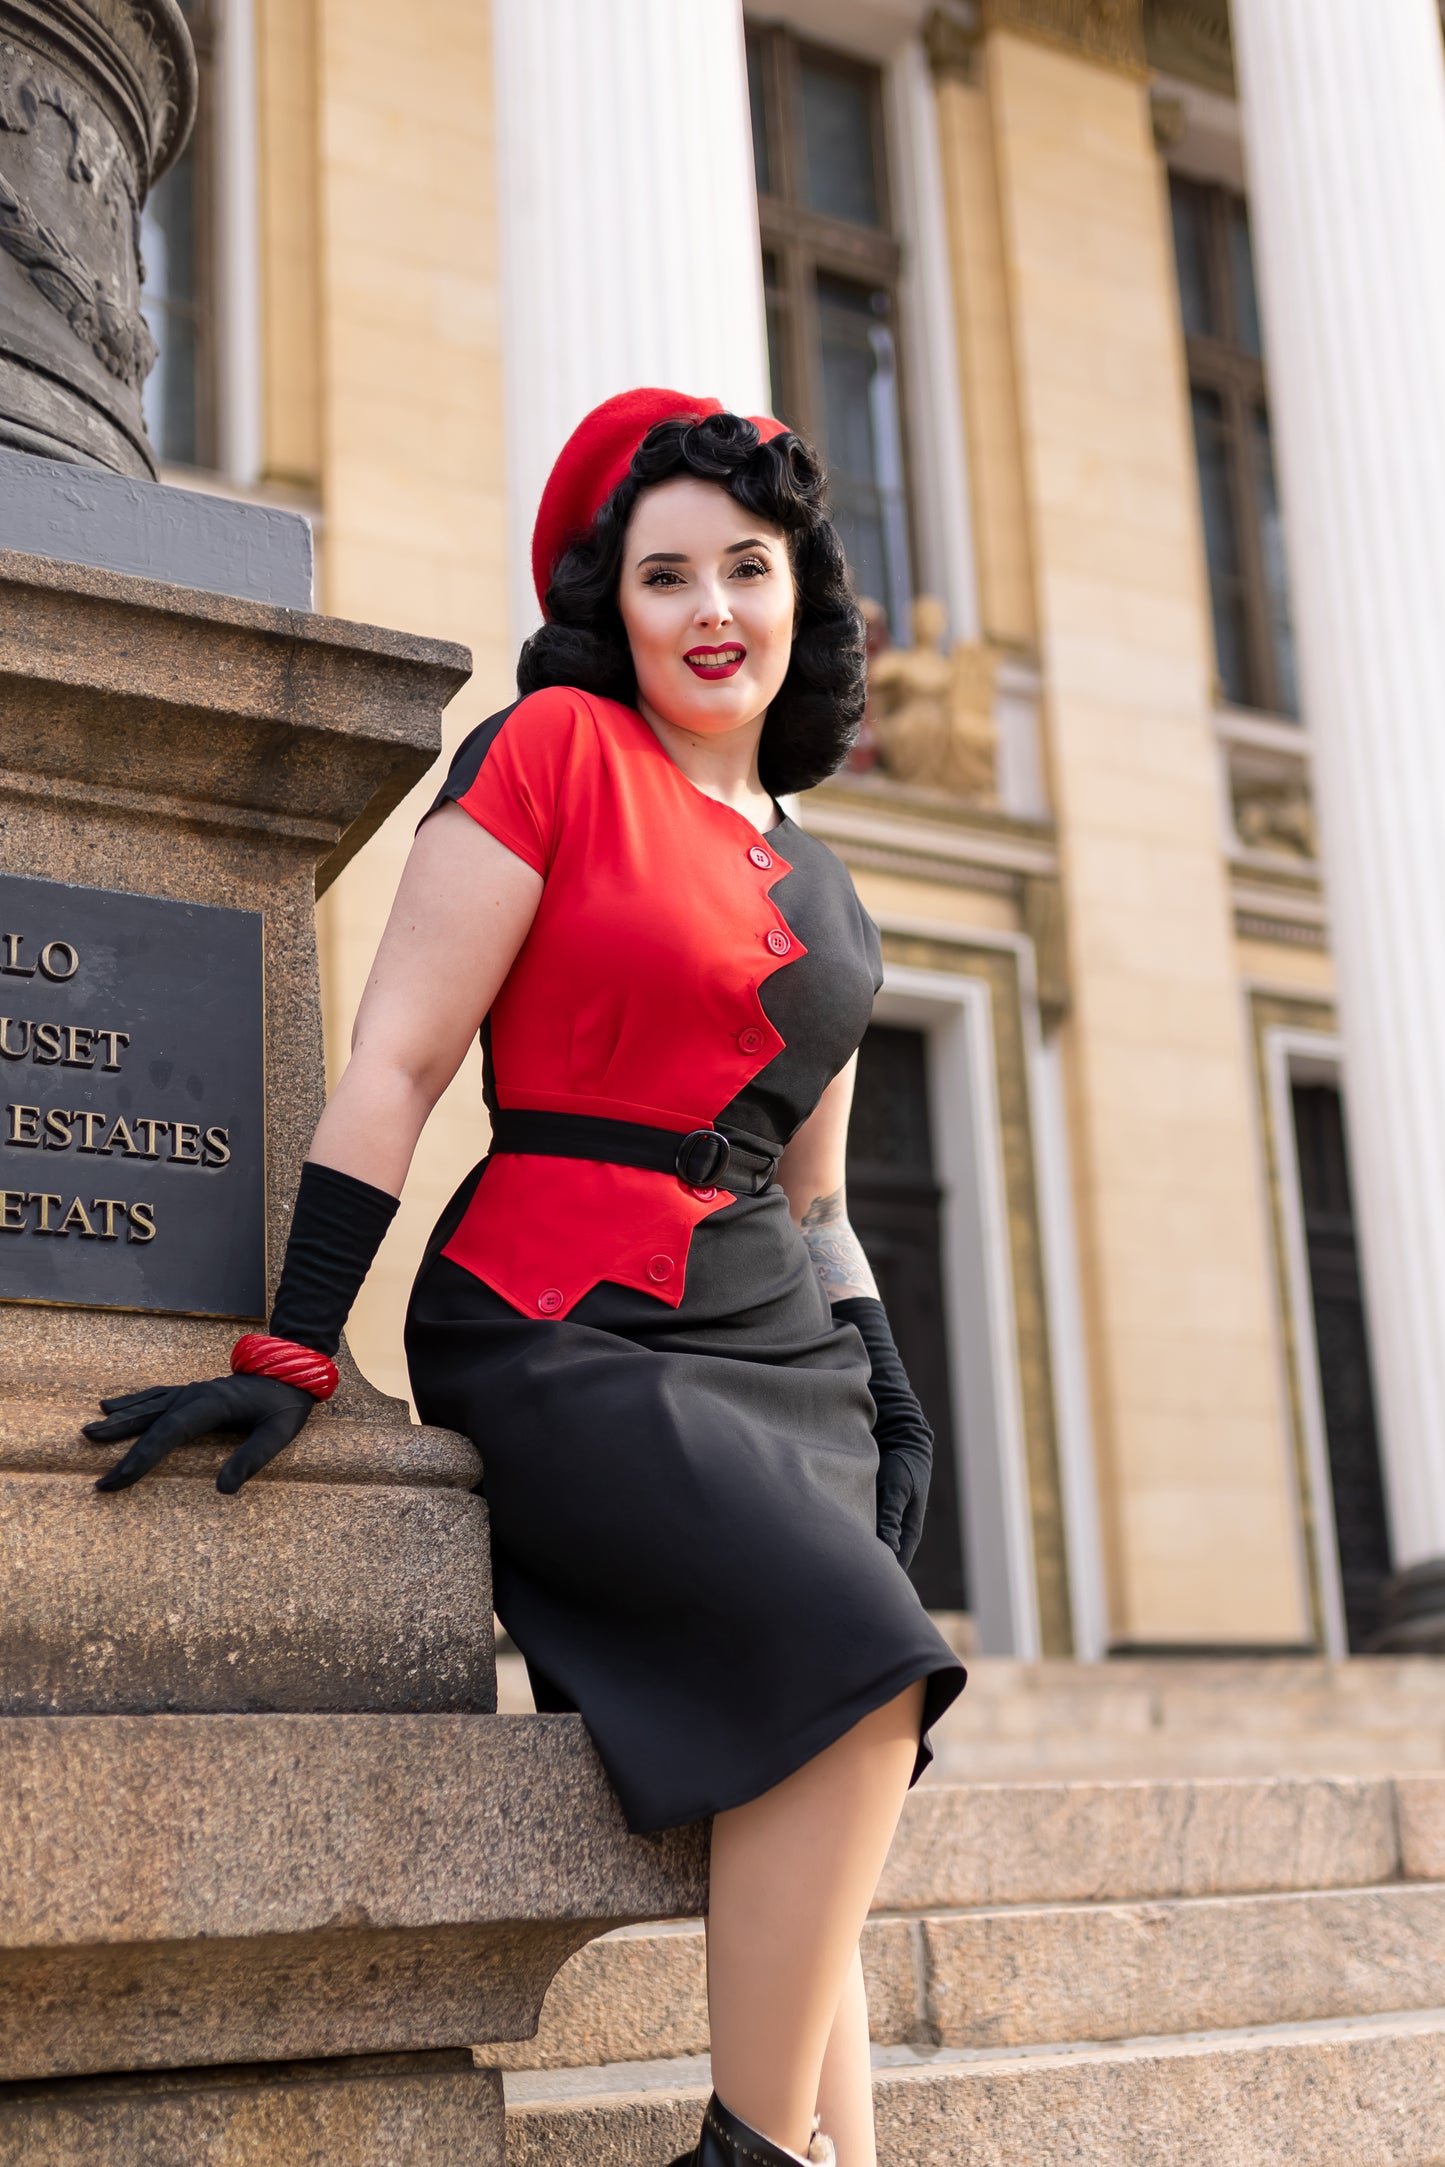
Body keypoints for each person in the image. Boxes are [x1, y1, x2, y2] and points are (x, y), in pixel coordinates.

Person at [86, 389, 967, 2167]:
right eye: (665, 578)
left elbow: (815, 1191)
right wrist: (296, 1339)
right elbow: (398, 1062)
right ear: (611, 605)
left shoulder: (836, 886)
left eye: (745, 565)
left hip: (774, 1346)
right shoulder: (549, 751)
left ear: (800, 590)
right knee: (872, 1675)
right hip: (561, 1320)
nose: (711, 609)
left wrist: (884, 1380)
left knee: (823, 1751)